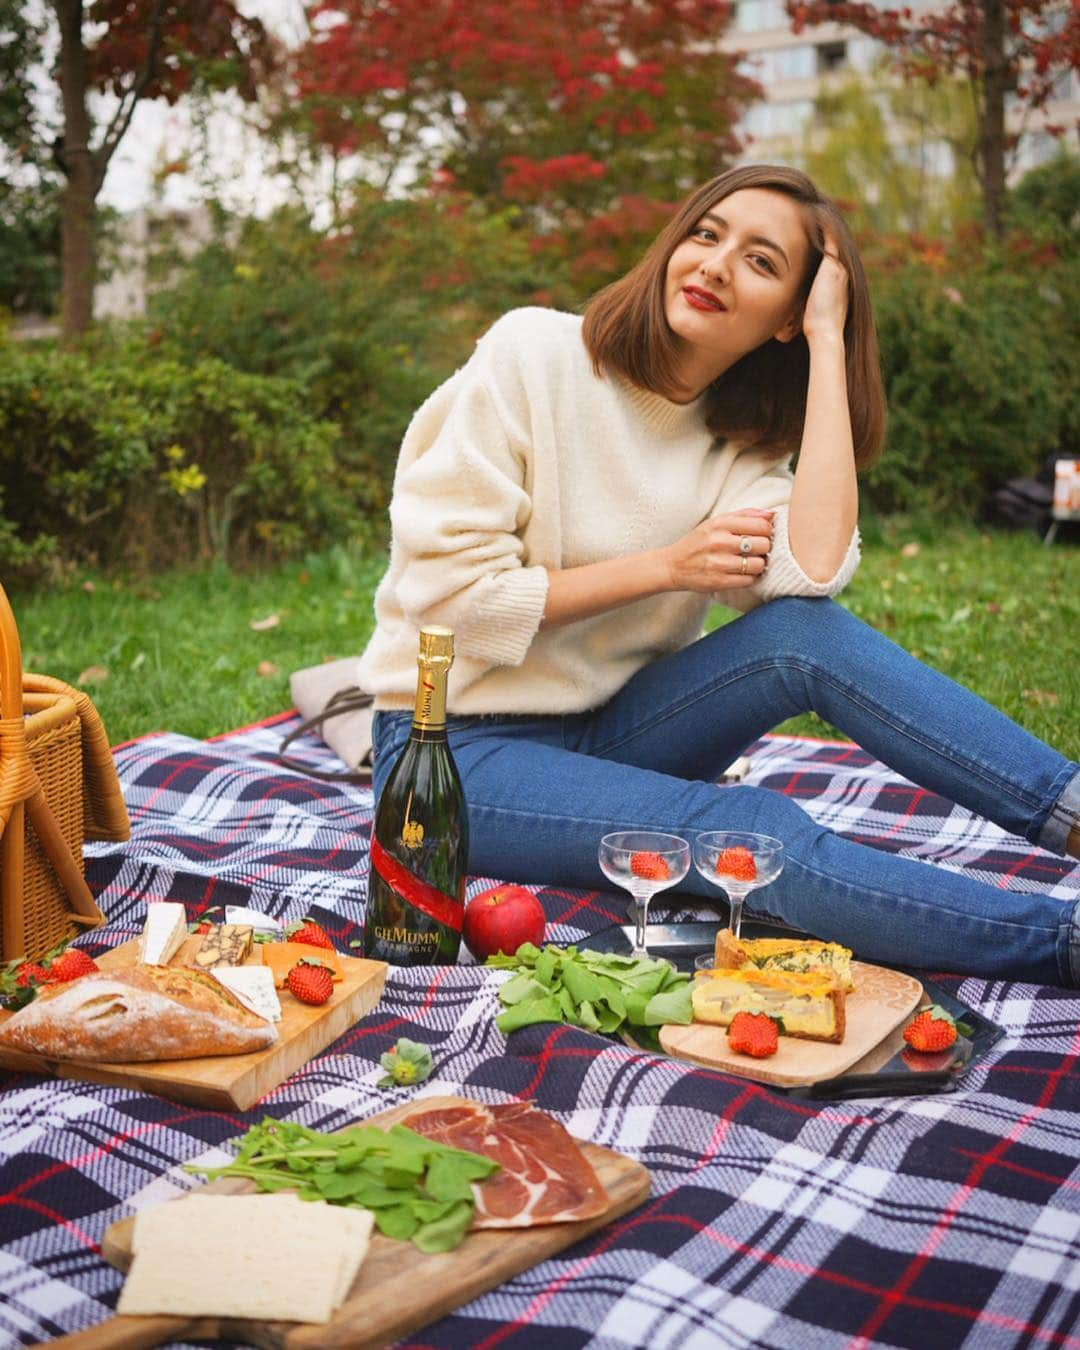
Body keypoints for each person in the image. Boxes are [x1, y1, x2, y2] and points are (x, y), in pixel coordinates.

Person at [358, 164, 1080, 985]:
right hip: (452, 760)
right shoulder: (533, 356)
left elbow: (810, 576)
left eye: (761, 263)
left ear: (786, 317)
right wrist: (665, 568)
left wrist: (828, 344)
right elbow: (452, 606)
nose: (714, 265)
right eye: (706, 235)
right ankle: (1060, 940)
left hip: (616, 731)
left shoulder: (737, 446)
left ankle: (1071, 812)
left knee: (800, 638)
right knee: (748, 831)